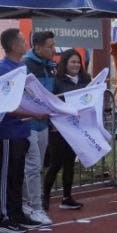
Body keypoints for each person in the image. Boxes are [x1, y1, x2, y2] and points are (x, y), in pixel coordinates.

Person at [0, 28, 47, 233]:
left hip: (23, 129)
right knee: (8, 176)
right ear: (14, 45)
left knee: (17, 176)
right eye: (23, 41)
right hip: (8, 131)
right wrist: (35, 113)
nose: (26, 44)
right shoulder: (4, 68)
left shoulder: (21, 66)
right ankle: (5, 218)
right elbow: (5, 103)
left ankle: (17, 213)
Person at [43, 49, 90, 212]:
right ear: (65, 63)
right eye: (73, 62)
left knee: (70, 163)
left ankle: (67, 197)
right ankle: (44, 198)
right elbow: (51, 103)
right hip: (59, 129)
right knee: (55, 164)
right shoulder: (57, 81)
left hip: (76, 129)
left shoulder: (86, 79)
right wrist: (53, 123)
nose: (76, 65)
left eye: (78, 62)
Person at [22, 30, 57, 226]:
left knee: (37, 165)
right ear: (37, 46)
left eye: (54, 46)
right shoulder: (26, 65)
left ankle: (28, 203)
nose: (54, 50)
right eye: (50, 46)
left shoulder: (50, 66)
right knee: (33, 166)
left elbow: (51, 92)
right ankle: (35, 207)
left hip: (43, 122)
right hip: (28, 123)